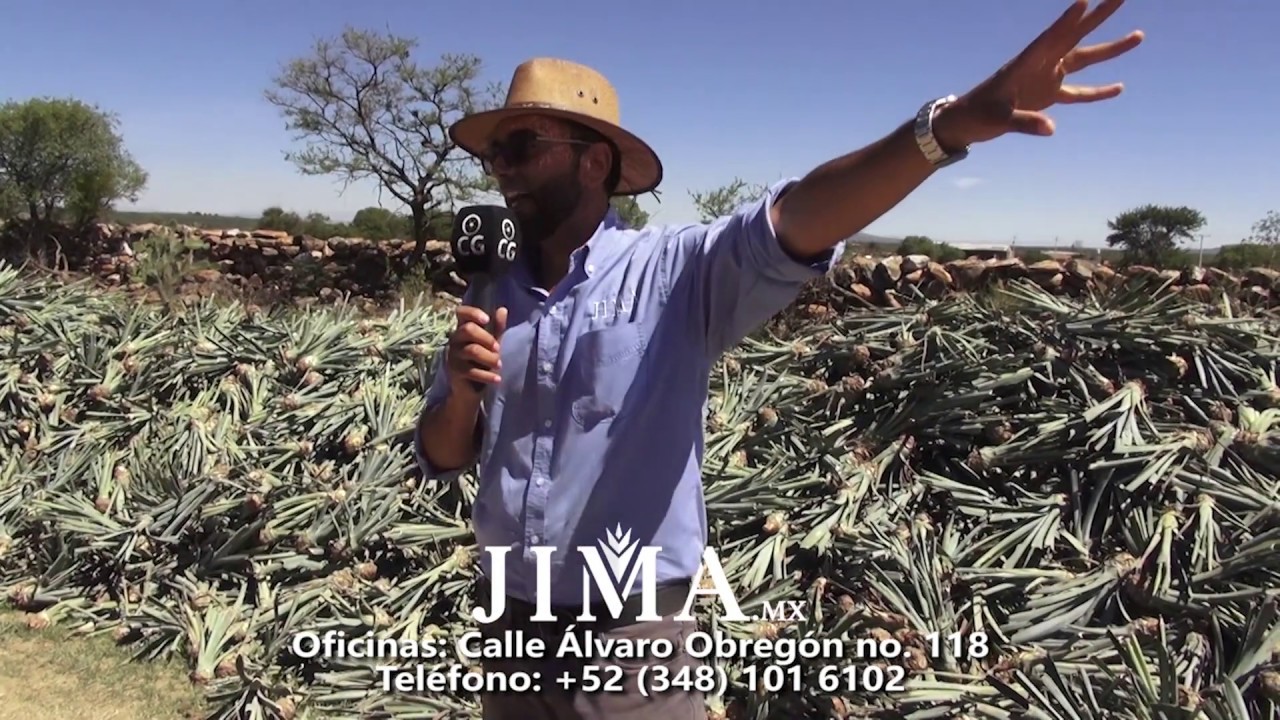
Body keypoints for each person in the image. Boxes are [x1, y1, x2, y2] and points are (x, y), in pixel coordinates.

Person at [415, 2, 1143, 718]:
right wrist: (463, 393)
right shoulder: (490, 291)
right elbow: (445, 456)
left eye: (521, 149)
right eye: (494, 154)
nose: (500, 170)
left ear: (595, 160)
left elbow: (793, 220)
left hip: (629, 637)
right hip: (510, 621)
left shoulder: (672, 274)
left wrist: (942, 128)